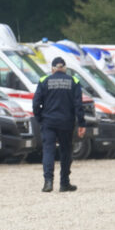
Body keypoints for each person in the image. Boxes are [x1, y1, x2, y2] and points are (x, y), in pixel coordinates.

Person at [33, 56, 86, 193]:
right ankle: (64, 183)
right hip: (66, 123)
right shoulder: (74, 81)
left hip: (48, 121)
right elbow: (78, 105)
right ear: (65, 68)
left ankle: (48, 182)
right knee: (66, 152)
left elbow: (35, 103)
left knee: (48, 151)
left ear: (52, 69)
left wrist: (39, 118)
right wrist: (81, 123)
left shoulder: (44, 80)